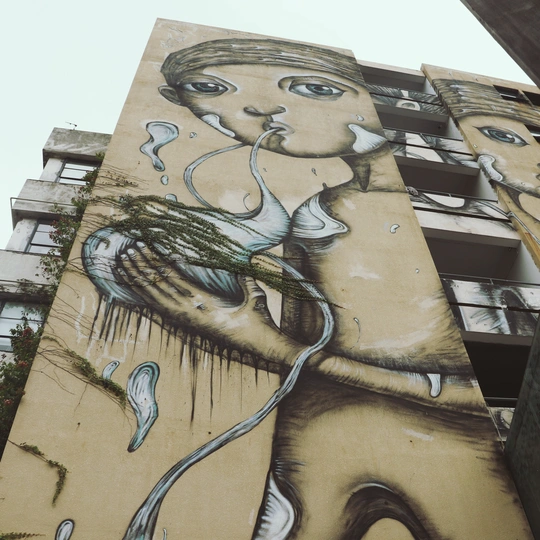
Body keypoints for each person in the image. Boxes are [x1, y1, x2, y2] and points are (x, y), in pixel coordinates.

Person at [84, 39, 529, 540]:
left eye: (314, 89)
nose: (261, 108)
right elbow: (315, 337)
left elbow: (469, 395)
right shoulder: (318, 210)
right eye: (211, 89)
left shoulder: (412, 213)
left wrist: (268, 346)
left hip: (448, 456)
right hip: (310, 448)